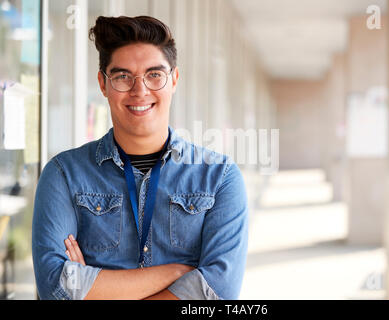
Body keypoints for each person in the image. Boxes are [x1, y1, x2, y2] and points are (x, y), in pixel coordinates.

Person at [32, 15, 248, 300]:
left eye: (154, 75)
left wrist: (92, 289)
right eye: (123, 77)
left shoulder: (219, 177)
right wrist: (178, 272)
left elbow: (218, 292)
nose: (140, 90)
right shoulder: (64, 174)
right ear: (103, 83)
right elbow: (55, 286)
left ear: (174, 80)